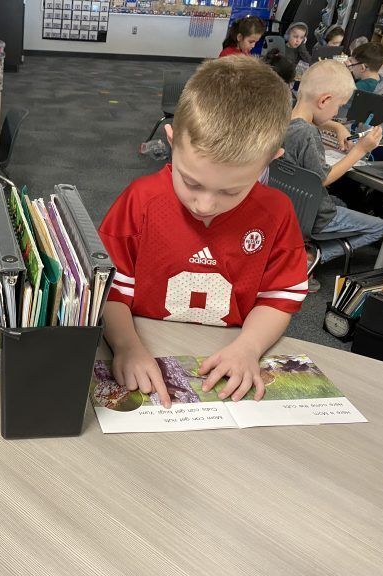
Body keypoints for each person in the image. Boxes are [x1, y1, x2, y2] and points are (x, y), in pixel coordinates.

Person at [99, 56, 308, 409]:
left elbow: (278, 296)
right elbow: (109, 291)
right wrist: (126, 345)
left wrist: (249, 347)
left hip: (225, 355)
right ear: (171, 139)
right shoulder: (140, 201)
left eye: (230, 191)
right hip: (144, 343)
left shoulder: (276, 213)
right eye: (191, 181)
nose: (205, 205)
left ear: (271, 159)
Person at [282, 60, 383, 287]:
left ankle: (304, 250)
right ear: (324, 100)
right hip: (315, 215)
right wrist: (360, 150)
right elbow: (323, 179)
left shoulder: (284, 118)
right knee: (380, 226)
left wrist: (337, 126)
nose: (338, 112)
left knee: (343, 202)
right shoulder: (308, 134)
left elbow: (313, 118)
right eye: (339, 106)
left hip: (290, 209)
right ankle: (309, 260)